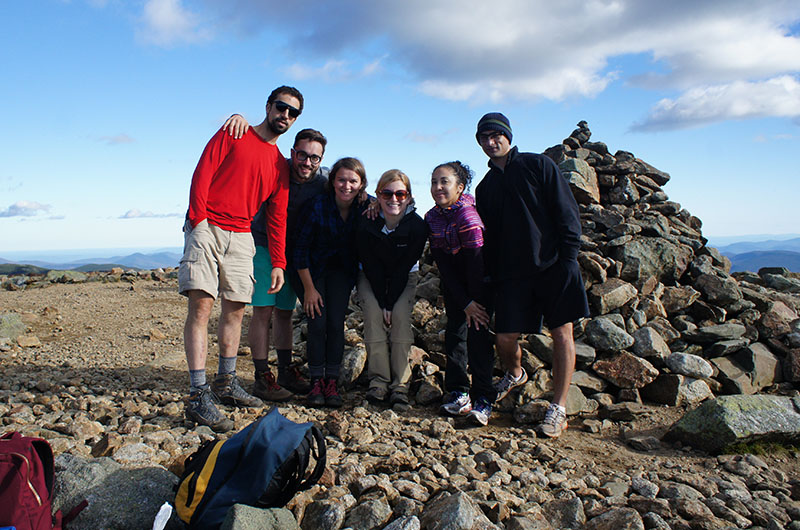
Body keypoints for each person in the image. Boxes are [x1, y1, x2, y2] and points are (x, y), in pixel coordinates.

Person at [178, 85, 302, 432]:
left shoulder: (280, 166)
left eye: (293, 113)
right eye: (282, 107)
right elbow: (203, 171)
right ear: (268, 106)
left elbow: (277, 216)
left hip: (243, 236)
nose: (286, 116)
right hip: (208, 226)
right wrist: (198, 220)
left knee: (235, 310)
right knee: (201, 308)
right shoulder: (234, 132)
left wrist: (278, 261)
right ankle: (198, 393)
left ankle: (226, 382)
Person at [474, 112, 589, 438]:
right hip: (512, 275)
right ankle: (515, 372)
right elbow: (490, 236)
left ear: (508, 136)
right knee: (504, 338)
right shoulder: (486, 187)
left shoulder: (538, 165)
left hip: (553, 265)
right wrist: (491, 275)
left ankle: (558, 408)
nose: (490, 141)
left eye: (496, 135)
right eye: (484, 137)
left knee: (561, 335)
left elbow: (566, 210)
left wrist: (569, 259)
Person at [222, 118, 329, 401]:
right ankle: (261, 376)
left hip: (295, 253)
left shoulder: (323, 180)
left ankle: (284, 370)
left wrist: (370, 204)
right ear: (292, 152)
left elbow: (352, 188)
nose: (307, 162)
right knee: (263, 310)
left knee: (284, 312)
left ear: (320, 159)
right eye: (302, 155)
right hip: (262, 244)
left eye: (314, 157)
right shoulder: (274, 167)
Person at [293, 157, 369, 408]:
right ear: (333, 181)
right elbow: (300, 249)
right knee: (317, 322)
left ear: (361, 184)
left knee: (336, 324)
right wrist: (309, 289)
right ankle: (316, 380)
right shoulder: (317, 205)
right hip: (313, 271)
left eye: (353, 181)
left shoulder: (365, 206)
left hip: (342, 273)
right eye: (341, 179)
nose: (346, 185)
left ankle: (332, 381)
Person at [425, 161, 496, 425]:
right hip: (455, 284)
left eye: (444, 181)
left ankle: (484, 399)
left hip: (480, 284)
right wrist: (462, 301)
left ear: (460, 187)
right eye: (434, 181)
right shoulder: (432, 217)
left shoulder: (468, 216)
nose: (438, 187)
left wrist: (473, 303)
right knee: (455, 335)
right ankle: (459, 393)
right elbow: (442, 263)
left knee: (478, 339)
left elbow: (476, 264)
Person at [356, 170, 427, 406]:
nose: (393, 199)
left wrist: (390, 302)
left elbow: (405, 266)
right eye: (387, 193)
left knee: (399, 317)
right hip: (371, 276)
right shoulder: (367, 221)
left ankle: (400, 384)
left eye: (400, 193)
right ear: (377, 195)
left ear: (409, 197)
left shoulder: (417, 227)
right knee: (374, 316)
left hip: (405, 276)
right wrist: (382, 301)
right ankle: (378, 382)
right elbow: (370, 264)